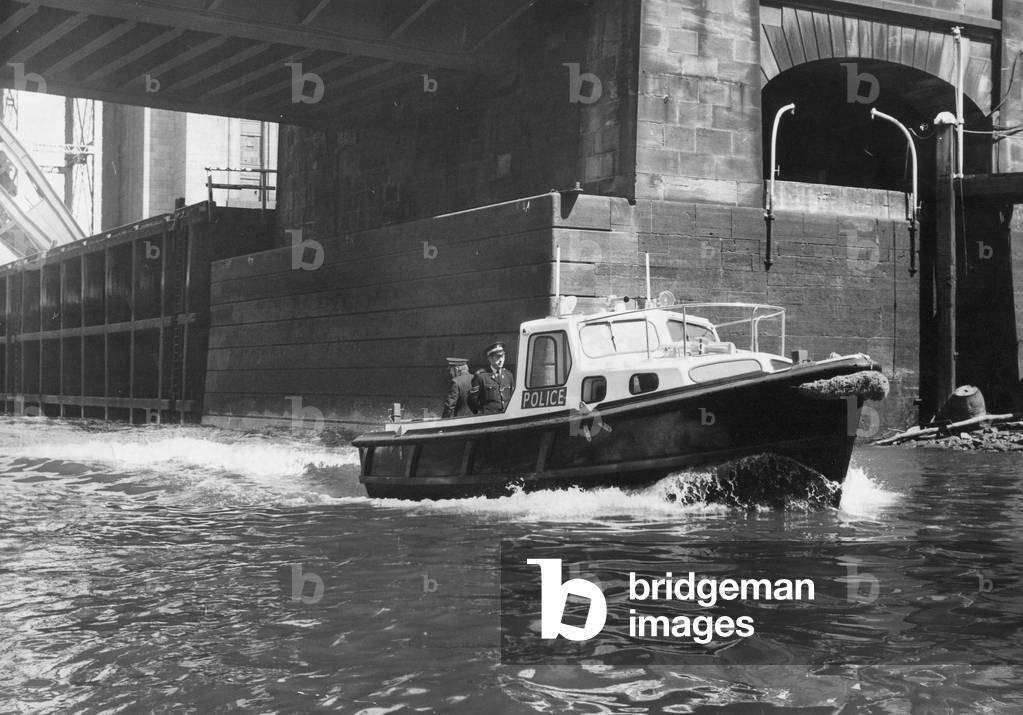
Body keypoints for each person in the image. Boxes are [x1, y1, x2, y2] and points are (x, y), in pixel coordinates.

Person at [469, 342, 514, 415]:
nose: (501, 360)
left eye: (502, 356)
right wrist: (481, 412)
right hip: (489, 418)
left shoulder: (508, 375)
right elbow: (472, 400)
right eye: (497, 357)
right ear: (490, 359)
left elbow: (512, 396)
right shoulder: (481, 377)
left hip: (506, 416)